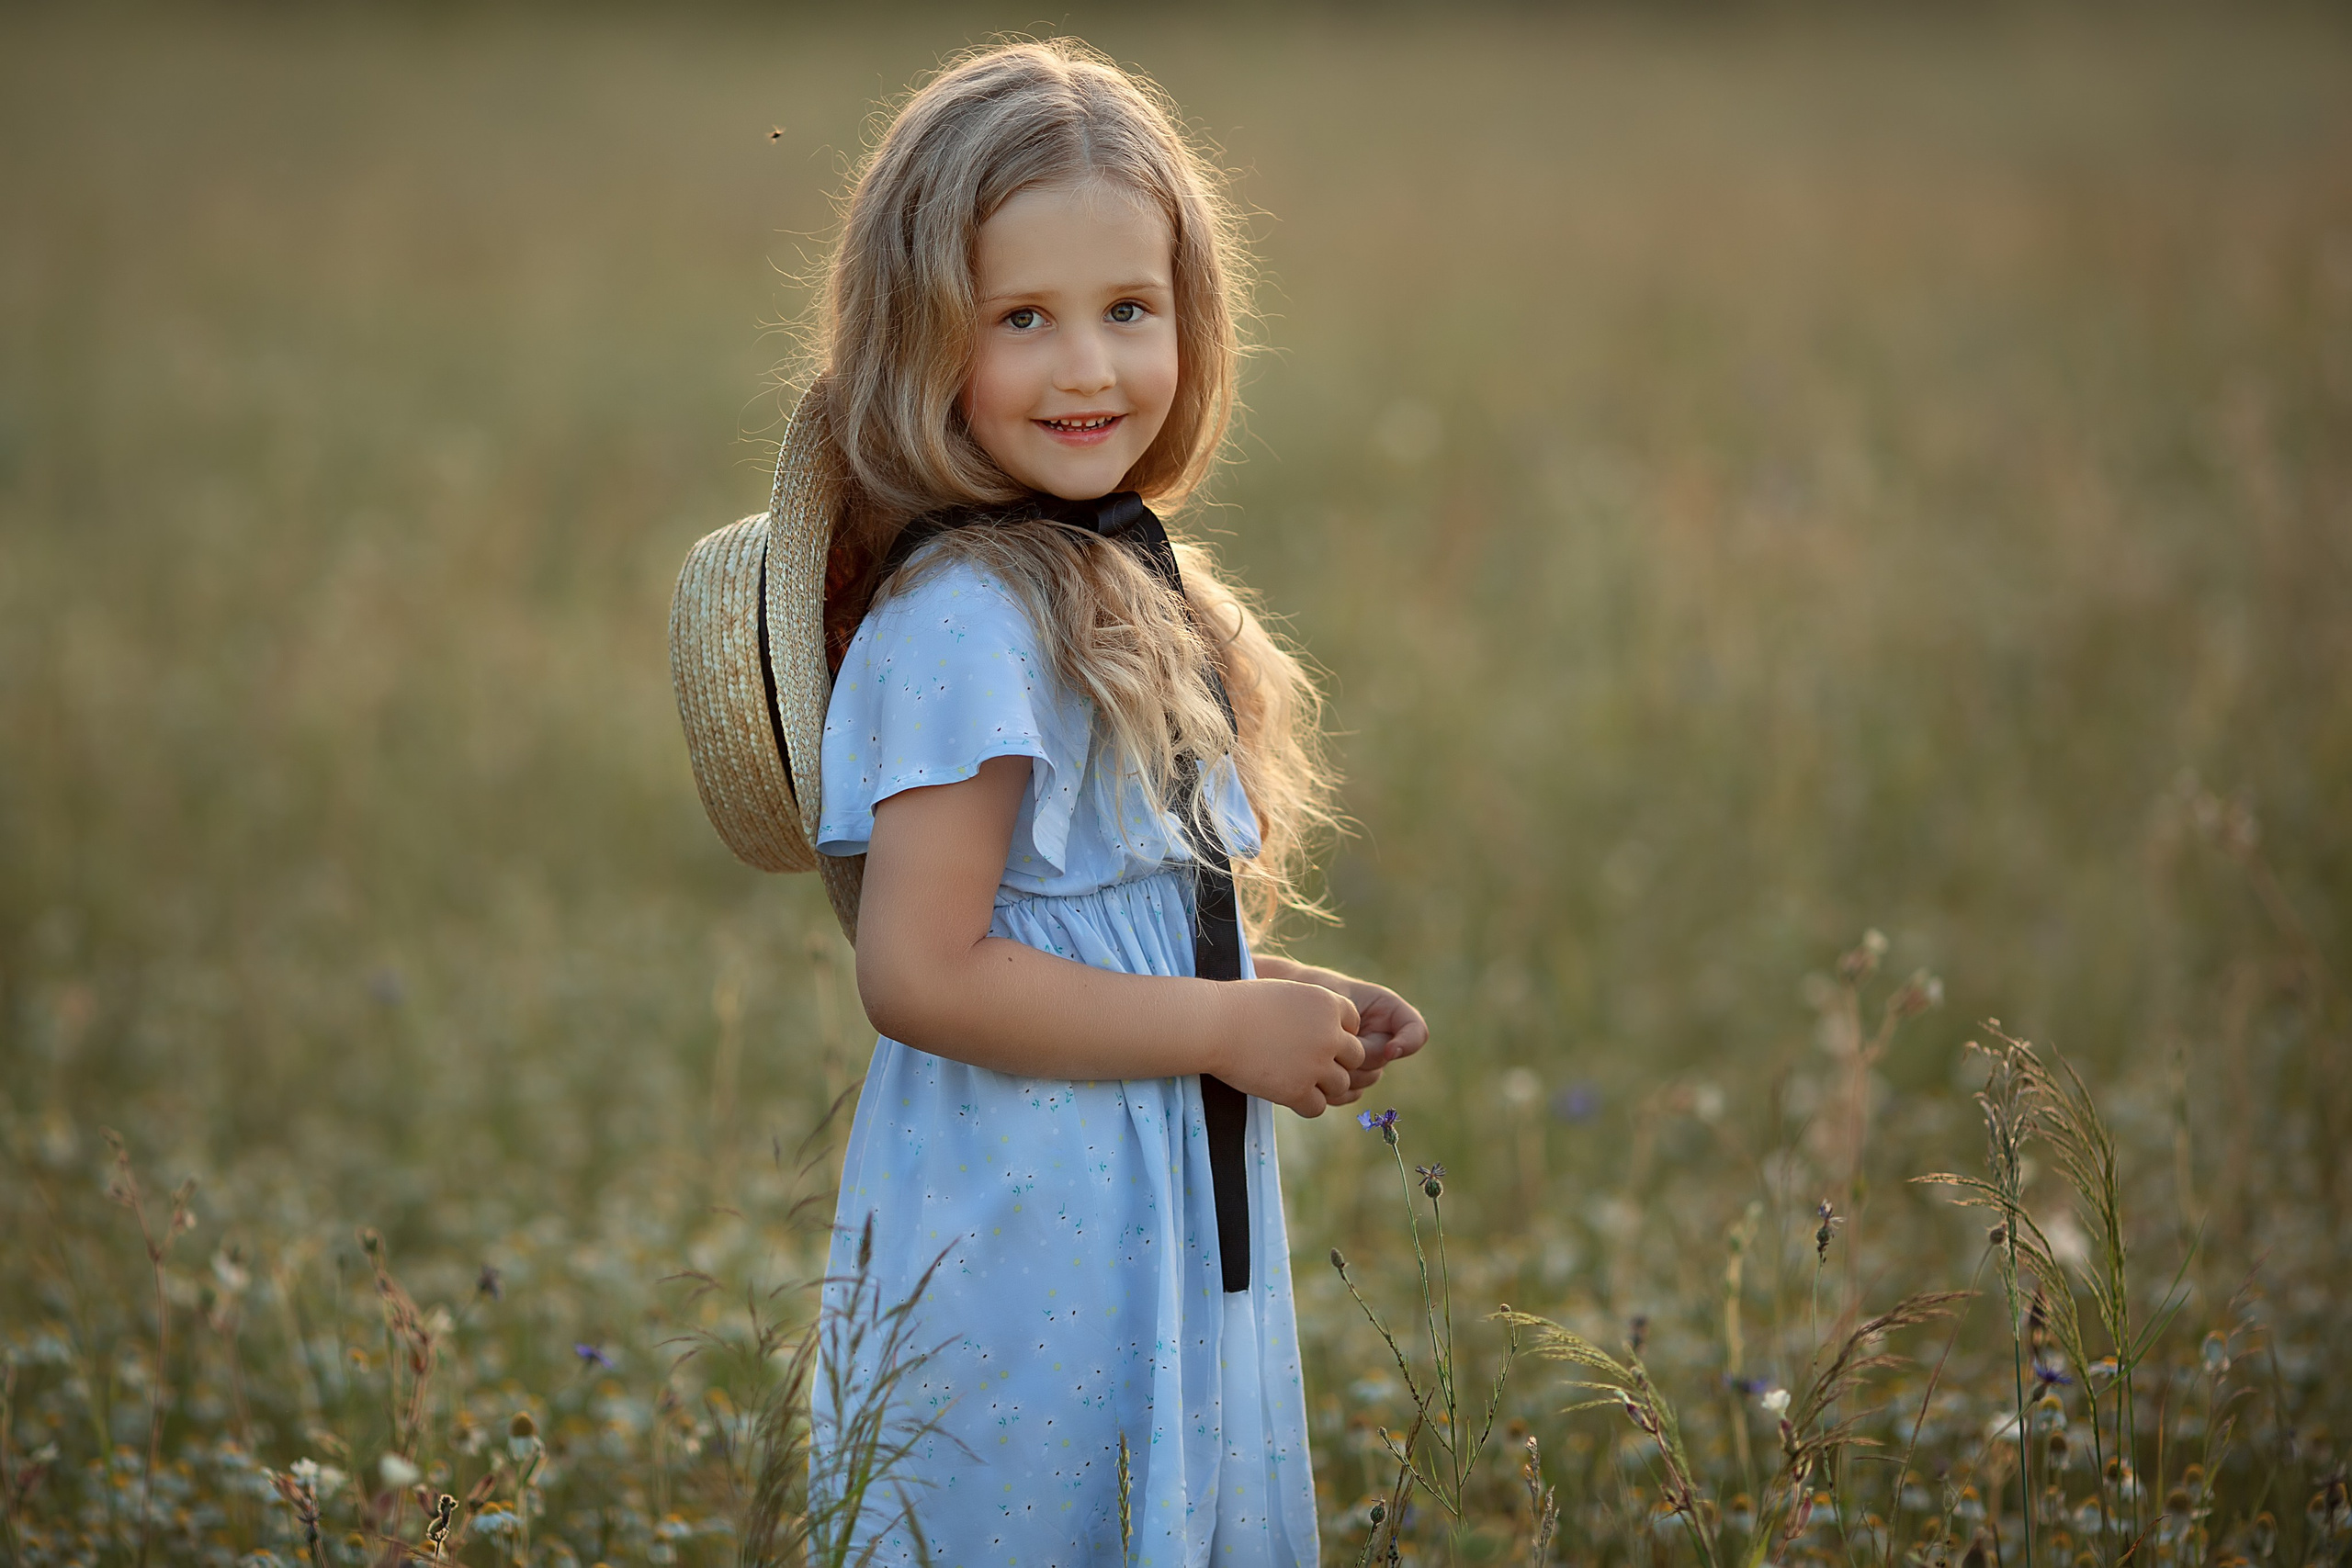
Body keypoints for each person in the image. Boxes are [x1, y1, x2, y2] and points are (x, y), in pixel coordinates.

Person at [800, 39, 1430, 1563]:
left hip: (1142, 1195)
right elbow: (923, 970)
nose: (1089, 368)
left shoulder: (1111, 580)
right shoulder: (966, 621)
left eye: (1128, 311)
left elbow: (1097, 927)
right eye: (1023, 319)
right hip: (1028, 1221)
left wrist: (1275, 994)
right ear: (921, 340)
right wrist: (1221, 1029)